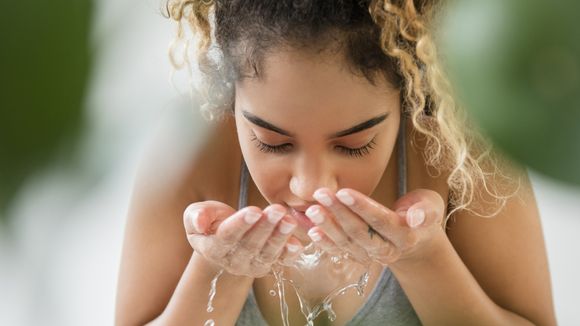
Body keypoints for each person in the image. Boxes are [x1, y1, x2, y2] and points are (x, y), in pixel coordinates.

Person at [115, 1, 556, 325]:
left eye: (354, 145)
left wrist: (423, 259)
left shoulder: (462, 149)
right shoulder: (185, 156)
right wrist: (218, 271)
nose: (310, 187)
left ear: (407, 95)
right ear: (231, 99)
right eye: (271, 142)